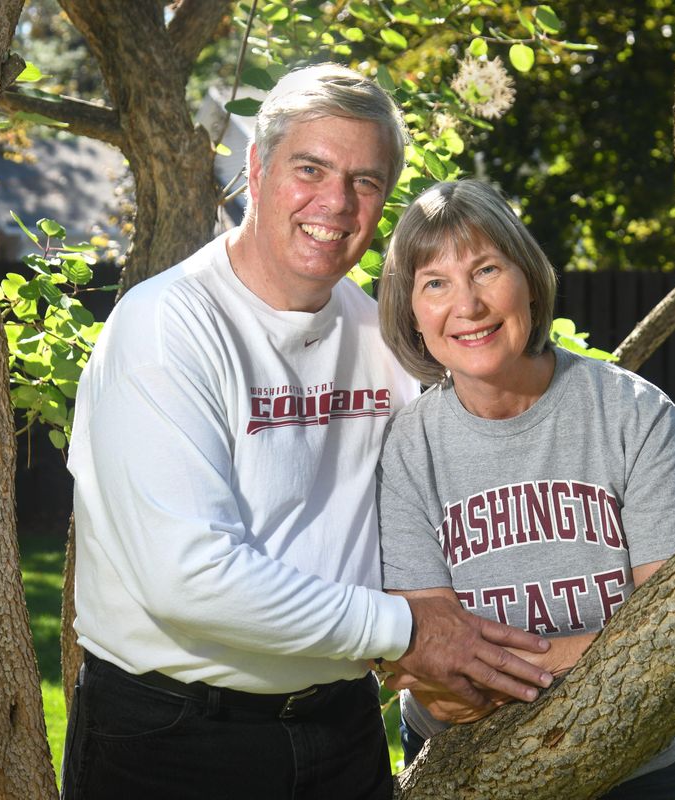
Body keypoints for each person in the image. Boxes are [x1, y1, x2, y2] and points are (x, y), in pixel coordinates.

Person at [61, 67, 552, 800]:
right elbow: (188, 579)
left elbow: (469, 495)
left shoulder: (383, 335)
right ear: (256, 169)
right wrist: (406, 632)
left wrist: (634, 648)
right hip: (173, 738)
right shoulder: (169, 325)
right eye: (310, 169)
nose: (336, 202)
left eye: (365, 181)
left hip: (342, 729)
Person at [375, 179, 675, 798]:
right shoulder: (406, 447)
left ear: (528, 278)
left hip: (632, 759)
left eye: (487, 269)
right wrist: (638, 665)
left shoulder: (634, 415)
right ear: (412, 316)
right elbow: (442, 692)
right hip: (465, 764)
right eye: (435, 283)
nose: (466, 305)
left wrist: (670, 663)